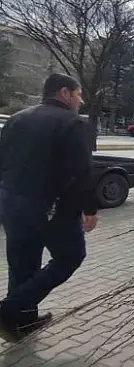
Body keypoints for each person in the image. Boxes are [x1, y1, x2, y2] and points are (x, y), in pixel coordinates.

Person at [0, 73, 98, 342]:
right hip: (50, 208)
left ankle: (21, 323)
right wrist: (90, 208)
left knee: (22, 264)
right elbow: (82, 171)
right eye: (78, 94)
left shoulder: (17, 118)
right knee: (70, 257)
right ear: (65, 93)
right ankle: (10, 309)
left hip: (11, 204)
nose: (81, 100)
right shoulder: (71, 123)